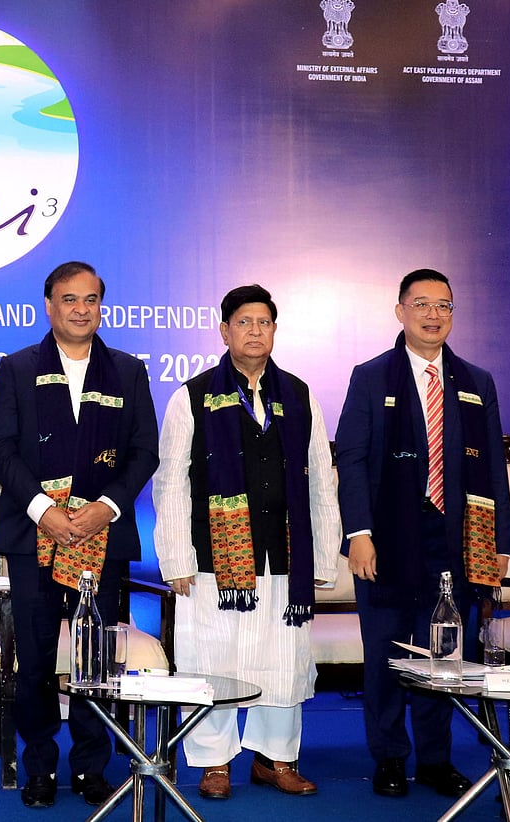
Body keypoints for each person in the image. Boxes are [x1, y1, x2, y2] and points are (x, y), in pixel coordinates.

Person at [152, 284, 340, 800]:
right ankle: (214, 763)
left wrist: (322, 554)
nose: (255, 331)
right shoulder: (190, 397)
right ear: (224, 330)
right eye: (243, 322)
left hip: (283, 553)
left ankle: (275, 758)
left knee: (283, 655)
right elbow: (171, 482)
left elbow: (321, 477)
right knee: (213, 655)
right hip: (212, 557)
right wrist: (175, 557)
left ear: (275, 331)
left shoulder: (299, 395)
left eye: (264, 322)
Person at [0, 261, 158, 809]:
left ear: (101, 305)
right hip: (35, 533)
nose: (81, 309)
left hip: (101, 535)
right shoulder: (16, 369)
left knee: (95, 658)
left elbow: (144, 452)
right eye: (69, 299)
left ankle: (89, 767)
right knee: (34, 659)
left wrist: (105, 507)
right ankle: (39, 767)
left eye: (90, 300)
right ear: (49, 305)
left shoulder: (128, 371)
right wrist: (42, 510)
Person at [335, 268, 510, 798]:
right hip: (387, 540)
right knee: (389, 653)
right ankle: (390, 757)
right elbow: (352, 456)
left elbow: (493, 476)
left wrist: (497, 545)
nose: (434, 315)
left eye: (444, 306)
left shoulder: (477, 382)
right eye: (422, 305)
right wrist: (359, 534)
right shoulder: (370, 376)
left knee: (445, 656)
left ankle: (435, 760)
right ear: (400, 312)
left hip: (454, 542)